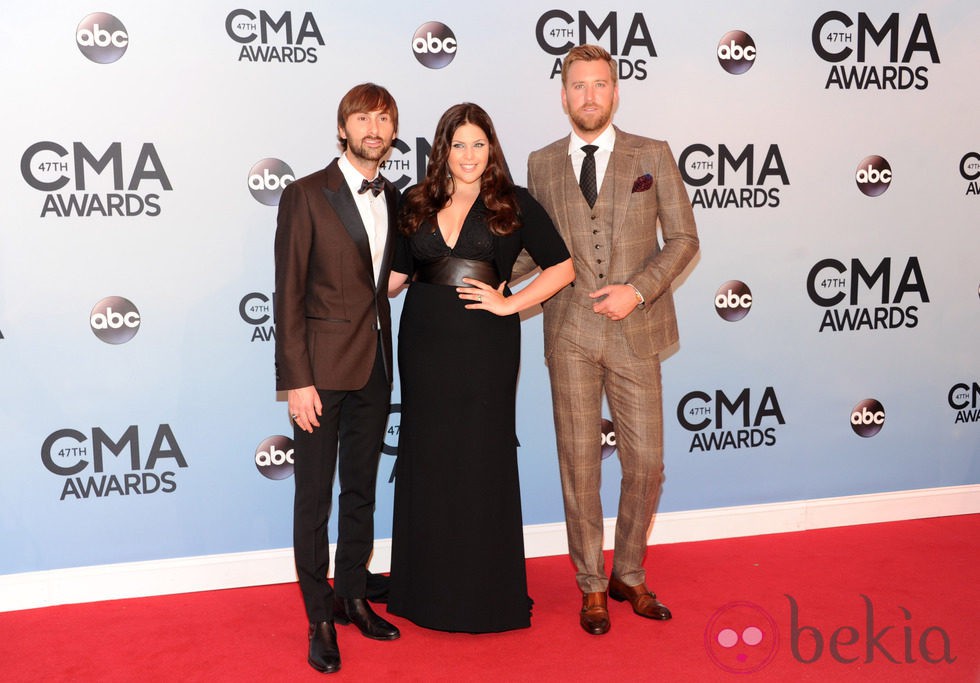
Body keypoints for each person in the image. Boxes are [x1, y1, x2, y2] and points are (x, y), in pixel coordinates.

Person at [523, 45, 699, 635]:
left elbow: (682, 239)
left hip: (636, 330)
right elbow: (533, 247)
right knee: (579, 467)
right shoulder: (541, 163)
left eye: (600, 85)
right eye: (578, 86)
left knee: (646, 463)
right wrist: (471, 269)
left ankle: (628, 570)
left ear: (616, 92)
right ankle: (591, 586)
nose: (589, 96)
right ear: (563, 94)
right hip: (569, 330)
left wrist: (639, 290)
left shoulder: (653, 154)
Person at [386, 103, 574, 633]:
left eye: (479, 144)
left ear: (491, 149)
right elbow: (398, 275)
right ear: (442, 149)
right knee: (429, 454)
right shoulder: (416, 201)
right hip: (422, 340)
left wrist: (512, 303)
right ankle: (422, 591)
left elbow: (563, 266)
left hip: (484, 346)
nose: (468, 155)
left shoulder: (513, 202)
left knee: (479, 456)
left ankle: (484, 594)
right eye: (458, 144)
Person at [274, 82, 402, 674]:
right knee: (313, 501)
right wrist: (297, 380)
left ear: (393, 131)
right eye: (362, 117)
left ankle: (352, 595)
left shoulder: (395, 196)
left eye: (383, 118)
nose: (373, 128)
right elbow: (289, 294)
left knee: (361, 491)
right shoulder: (306, 195)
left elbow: (385, 280)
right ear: (343, 127)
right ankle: (319, 617)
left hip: (375, 366)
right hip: (320, 375)